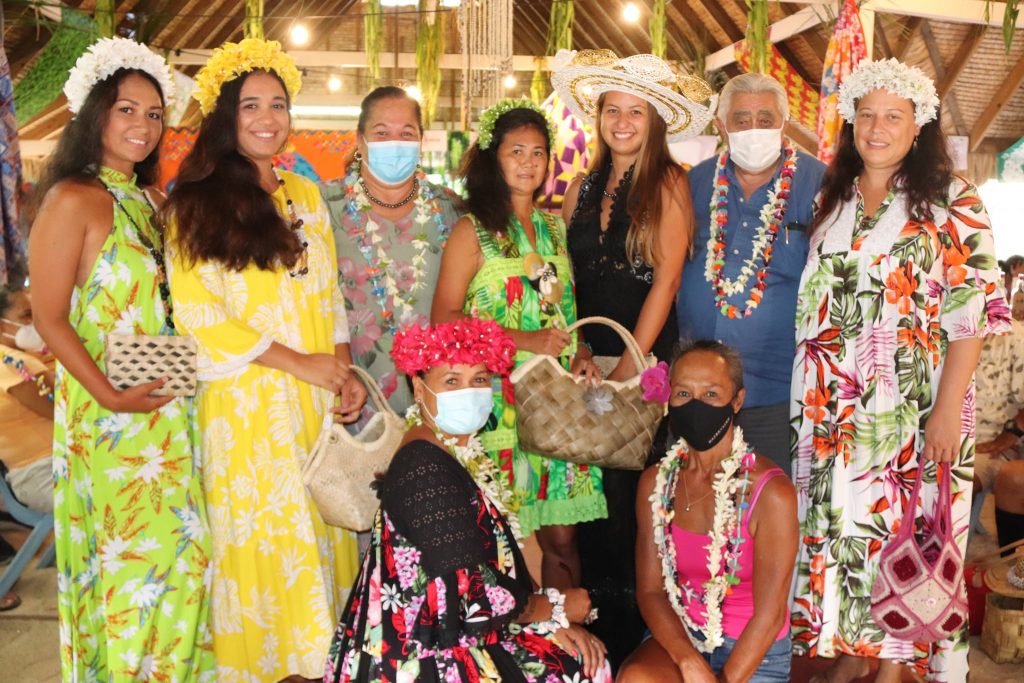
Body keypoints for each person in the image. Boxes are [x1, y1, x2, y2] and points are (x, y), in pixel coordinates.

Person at [790, 58, 1010, 682]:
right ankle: (852, 648)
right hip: (829, 402)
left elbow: (971, 312)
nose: (877, 128)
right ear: (850, 123)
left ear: (919, 126)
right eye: (867, 115)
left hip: (914, 400)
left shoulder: (953, 199)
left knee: (903, 525)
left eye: (894, 116)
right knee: (841, 523)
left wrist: (947, 410)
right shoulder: (833, 197)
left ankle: (895, 661)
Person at [164, 39, 365, 680]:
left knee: (321, 533)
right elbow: (199, 315)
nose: (267, 117)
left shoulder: (307, 195)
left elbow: (329, 297)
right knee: (263, 543)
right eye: (250, 105)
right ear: (226, 115)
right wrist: (299, 363)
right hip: (245, 408)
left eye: (278, 104)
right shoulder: (194, 201)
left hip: (315, 404)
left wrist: (342, 372)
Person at [27, 37, 214, 680]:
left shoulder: (151, 200)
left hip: (171, 412)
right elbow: (49, 317)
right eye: (126, 109)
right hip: (110, 421)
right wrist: (109, 396)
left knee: (185, 565)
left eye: (154, 113)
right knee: (137, 575)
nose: (143, 124)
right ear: (94, 115)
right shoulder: (71, 199)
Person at [325, 318, 610, 682]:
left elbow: (484, 569)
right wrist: (555, 608)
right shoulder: (425, 466)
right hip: (419, 657)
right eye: (451, 381)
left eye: (478, 380)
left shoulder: (448, 450)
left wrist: (547, 620)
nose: (469, 392)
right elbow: (470, 593)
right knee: (585, 669)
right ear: (418, 388)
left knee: (581, 656)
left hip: (459, 630)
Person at [552, 48, 714, 666]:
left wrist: (628, 365)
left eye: (635, 112)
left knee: (630, 506)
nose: (621, 122)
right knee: (588, 504)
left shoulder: (669, 183)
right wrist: (578, 352)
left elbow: (667, 280)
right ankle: (594, 643)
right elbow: (567, 283)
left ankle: (633, 646)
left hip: (641, 367)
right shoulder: (578, 188)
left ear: (655, 121)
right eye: (611, 110)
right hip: (586, 366)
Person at [431, 99, 606, 591]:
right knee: (499, 539)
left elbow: (565, 311)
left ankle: (567, 630)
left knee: (564, 539)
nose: (529, 162)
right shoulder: (471, 231)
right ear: (494, 158)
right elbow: (443, 318)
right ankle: (512, 632)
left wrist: (582, 351)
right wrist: (524, 340)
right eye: (516, 152)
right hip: (497, 405)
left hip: (557, 404)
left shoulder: (553, 228)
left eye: (538, 152)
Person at [619, 340, 797, 683]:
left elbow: (771, 615)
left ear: (737, 401)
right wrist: (688, 659)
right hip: (679, 636)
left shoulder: (771, 492)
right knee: (637, 678)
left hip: (754, 652)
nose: (696, 405)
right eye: (684, 393)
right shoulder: (657, 483)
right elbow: (651, 591)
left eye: (711, 394)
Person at [677, 73, 826, 477]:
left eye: (766, 119)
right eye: (741, 120)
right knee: (696, 497)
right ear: (721, 126)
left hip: (778, 392)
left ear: (784, 123)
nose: (754, 129)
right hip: (696, 392)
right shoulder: (693, 184)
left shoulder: (821, 184)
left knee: (768, 499)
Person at [319, 86, 461, 414]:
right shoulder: (323, 205)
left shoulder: (450, 209)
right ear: (360, 142)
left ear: (421, 142)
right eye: (381, 133)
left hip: (439, 402)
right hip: (350, 397)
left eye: (406, 133)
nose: (395, 143)